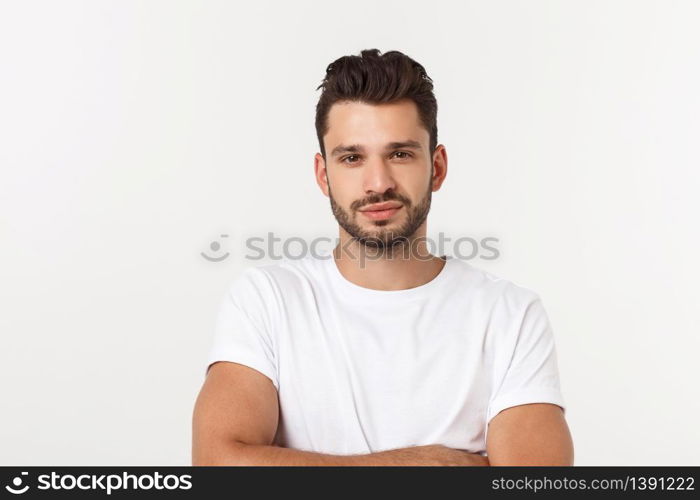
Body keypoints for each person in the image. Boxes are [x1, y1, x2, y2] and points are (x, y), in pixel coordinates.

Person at [191, 48, 574, 466]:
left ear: (437, 167)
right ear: (323, 174)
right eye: (352, 158)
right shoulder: (267, 300)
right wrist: (414, 465)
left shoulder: (510, 315)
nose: (378, 183)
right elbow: (216, 465)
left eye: (400, 154)